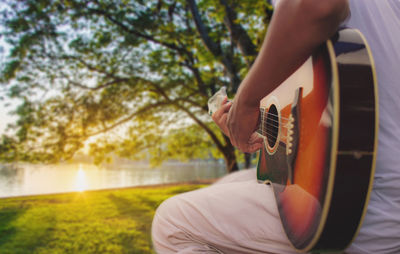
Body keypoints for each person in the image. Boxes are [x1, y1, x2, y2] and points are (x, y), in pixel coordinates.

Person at [151, 0, 400, 253]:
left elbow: (318, 6)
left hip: (361, 203)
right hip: (371, 189)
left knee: (172, 223)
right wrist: (257, 119)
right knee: (228, 184)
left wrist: (247, 101)